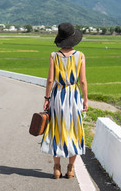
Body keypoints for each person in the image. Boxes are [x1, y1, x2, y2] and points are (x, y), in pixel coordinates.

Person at [41, 22, 88, 179]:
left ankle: (56, 168)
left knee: (57, 130)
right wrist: (85, 99)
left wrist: (47, 98)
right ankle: (70, 168)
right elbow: (82, 81)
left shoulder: (54, 56)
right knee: (74, 130)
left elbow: (49, 80)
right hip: (73, 95)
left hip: (58, 96)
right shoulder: (80, 56)